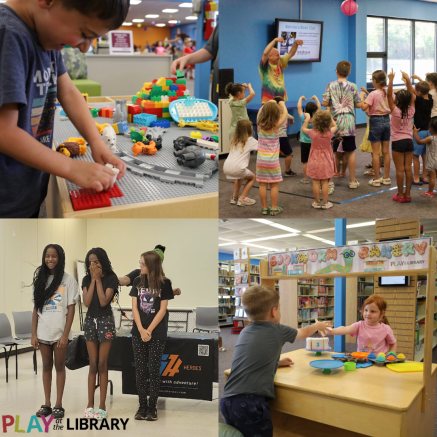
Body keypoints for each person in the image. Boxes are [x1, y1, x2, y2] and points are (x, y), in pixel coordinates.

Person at [0, 0, 129, 218]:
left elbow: (68, 92)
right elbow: (4, 130)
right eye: (85, 33)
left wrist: (96, 142)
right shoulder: (8, 35)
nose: (85, 48)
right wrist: (70, 168)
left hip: (23, 192)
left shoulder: (46, 38)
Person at [220, 285, 332, 437]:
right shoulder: (277, 330)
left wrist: (277, 362)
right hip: (251, 402)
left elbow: (249, 359)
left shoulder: (245, 331)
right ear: (273, 311)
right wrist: (318, 325)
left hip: (227, 399)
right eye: (279, 308)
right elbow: (304, 332)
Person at [32, 244, 78, 419]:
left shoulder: (68, 280)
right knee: (46, 367)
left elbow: (71, 308)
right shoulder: (40, 280)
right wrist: (34, 333)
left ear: (60, 258)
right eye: (47, 256)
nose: (50, 259)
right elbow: (36, 309)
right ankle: (47, 404)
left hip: (59, 332)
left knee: (59, 366)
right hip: (43, 332)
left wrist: (65, 334)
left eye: (54, 256)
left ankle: (59, 403)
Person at [130, 250, 174, 421]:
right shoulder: (137, 281)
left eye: (142, 263)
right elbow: (134, 307)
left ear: (151, 265)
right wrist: (141, 329)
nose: (140, 266)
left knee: (154, 370)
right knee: (140, 371)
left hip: (157, 333)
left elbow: (162, 309)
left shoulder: (165, 283)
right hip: (138, 333)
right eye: (140, 263)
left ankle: (152, 407)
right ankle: (141, 406)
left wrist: (149, 330)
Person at [82, 247, 119, 420]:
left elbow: (104, 301)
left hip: (105, 321)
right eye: (90, 263)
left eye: (96, 262)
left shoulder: (112, 278)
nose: (93, 265)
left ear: (102, 262)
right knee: (93, 363)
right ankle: (90, 403)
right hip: (90, 321)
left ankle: (102, 405)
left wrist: (97, 279)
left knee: (103, 363)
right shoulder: (85, 279)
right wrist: (92, 279)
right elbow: (87, 302)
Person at [322, 61, 362, 190]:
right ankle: (352, 181)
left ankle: (330, 181)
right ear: (349, 72)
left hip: (334, 121)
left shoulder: (330, 85)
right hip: (349, 122)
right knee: (350, 152)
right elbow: (357, 104)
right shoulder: (353, 86)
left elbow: (325, 102)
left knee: (332, 151)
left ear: (336, 72)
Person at [328, 295, 396, 354]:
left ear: (382, 313)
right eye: (366, 310)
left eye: (372, 311)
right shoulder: (359, 325)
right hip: (362, 361)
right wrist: (331, 331)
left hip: (378, 363)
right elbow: (345, 329)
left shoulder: (386, 329)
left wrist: (391, 355)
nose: (368, 313)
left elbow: (393, 344)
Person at [170, 25, 218, 105]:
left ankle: (188, 74)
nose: (190, 43)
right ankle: (186, 74)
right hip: (218, 86)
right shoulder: (220, 26)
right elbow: (211, 49)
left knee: (190, 69)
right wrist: (186, 58)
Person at [256, 100, 288, 215]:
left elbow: (260, 113)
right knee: (274, 184)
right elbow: (285, 114)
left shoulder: (259, 124)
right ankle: (274, 208)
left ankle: (264, 208)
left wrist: (266, 104)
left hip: (261, 161)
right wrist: (282, 104)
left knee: (262, 184)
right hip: (273, 162)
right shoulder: (276, 126)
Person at [387, 70, 415, 203]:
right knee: (408, 168)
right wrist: (408, 81)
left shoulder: (395, 111)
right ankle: (408, 194)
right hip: (409, 141)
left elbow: (388, 95)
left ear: (397, 99)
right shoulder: (411, 110)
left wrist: (391, 80)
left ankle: (400, 195)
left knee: (400, 169)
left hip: (398, 142)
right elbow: (412, 95)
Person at [360, 70, 391, 187]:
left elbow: (364, 107)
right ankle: (386, 177)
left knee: (376, 152)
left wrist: (362, 97)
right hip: (387, 120)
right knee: (386, 152)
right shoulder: (389, 92)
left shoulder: (373, 94)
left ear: (374, 81)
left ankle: (377, 178)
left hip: (376, 122)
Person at [302, 110, 337, 209]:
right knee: (325, 182)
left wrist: (308, 118)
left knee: (316, 182)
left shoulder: (312, 132)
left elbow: (303, 128)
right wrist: (329, 116)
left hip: (314, 160)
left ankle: (317, 202)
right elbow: (335, 126)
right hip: (326, 160)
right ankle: (325, 202)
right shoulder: (330, 132)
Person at [223, 120, 258, 206]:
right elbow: (262, 147)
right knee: (252, 178)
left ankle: (234, 197)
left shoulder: (234, 140)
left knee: (239, 177)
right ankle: (242, 198)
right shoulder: (250, 140)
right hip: (238, 168)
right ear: (250, 130)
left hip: (226, 167)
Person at [259, 36, 303, 104]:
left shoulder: (280, 63)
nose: (279, 57)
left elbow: (291, 53)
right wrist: (274, 40)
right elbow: (265, 53)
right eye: (277, 55)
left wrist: (296, 43)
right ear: (269, 57)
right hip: (268, 103)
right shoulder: (264, 66)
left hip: (281, 101)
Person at [410, 77, 433, 185]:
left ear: (418, 92)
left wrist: (407, 81)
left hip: (418, 131)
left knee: (415, 156)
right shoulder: (430, 99)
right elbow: (421, 91)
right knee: (425, 156)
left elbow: (411, 91)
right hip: (428, 130)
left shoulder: (418, 100)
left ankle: (416, 178)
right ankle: (424, 176)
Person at [297, 96, 320, 184]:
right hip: (315, 142)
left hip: (304, 142)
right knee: (316, 159)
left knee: (305, 161)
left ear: (305, 111)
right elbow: (319, 107)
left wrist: (300, 99)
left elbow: (299, 107)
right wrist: (316, 98)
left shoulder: (304, 117)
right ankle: (317, 175)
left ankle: (306, 178)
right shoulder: (317, 118)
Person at [413, 118, 437, 198]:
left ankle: (430, 192)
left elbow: (419, 142)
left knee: (433, 177)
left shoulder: (430, 138)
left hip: (432, 161)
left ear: (430, 130)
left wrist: (415, 133)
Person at [273, 96, 295, 176]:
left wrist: (291, 119)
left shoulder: (272, 114)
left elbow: (291, 117)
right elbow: (291, 117)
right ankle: (287, 171)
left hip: (272, 136)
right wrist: (292, 120)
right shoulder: (284, 113)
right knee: (289, 153)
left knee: (273, 154)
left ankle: (272, 171)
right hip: (282, 136)